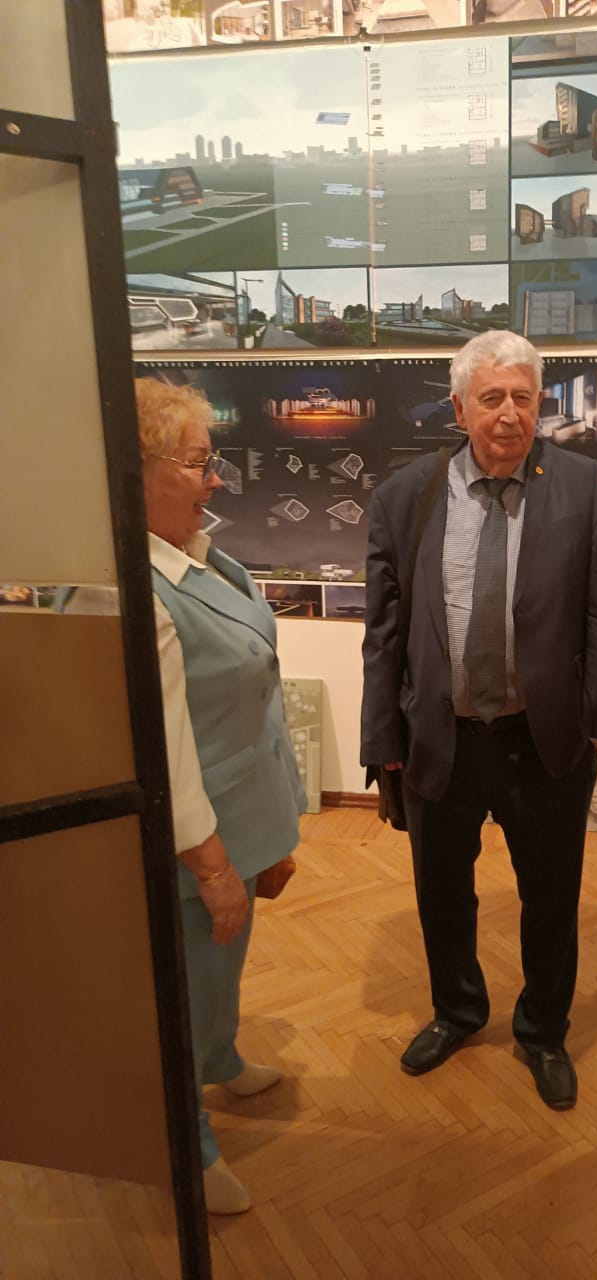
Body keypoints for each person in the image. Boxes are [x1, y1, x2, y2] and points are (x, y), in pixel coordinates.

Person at [361, 331, 597, 1110]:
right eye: (492, 398)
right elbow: (384, 634)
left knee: (551, 896)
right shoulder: (405, 497)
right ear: (459, 407)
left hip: (542, 740)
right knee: (442, 892)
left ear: (540, 403)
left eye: (523, 397)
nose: (509, 414)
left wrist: (595, 728)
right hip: (441, 735)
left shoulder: (580, 488)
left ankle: (542, 1031)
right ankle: (457, 1011)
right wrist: (383, 740)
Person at [61, 379, 306, 1214]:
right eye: (198, 464)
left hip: (245, 817)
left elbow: (255, 695)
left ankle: (222, 1059)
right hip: (195, 843)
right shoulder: (129, 591)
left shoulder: (198, 556)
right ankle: (186, 1142)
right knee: (185, 992)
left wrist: (273, 833)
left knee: (221, 971)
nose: (215, 479)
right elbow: (160, 750)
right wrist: (212, 866)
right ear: (136, 475)